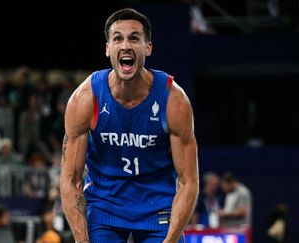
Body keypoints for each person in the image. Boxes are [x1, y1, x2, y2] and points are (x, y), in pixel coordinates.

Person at [60, 8, 199, 243]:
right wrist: (82, 241)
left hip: (158, 208)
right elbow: (70, 179)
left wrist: (171, 240)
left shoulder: (173, 100)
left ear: (148, 47)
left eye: (134, 38)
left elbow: (189, 181)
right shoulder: (85, 98)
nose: (125, 45)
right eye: (118, 38)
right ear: (108, 49)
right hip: (105, 208)